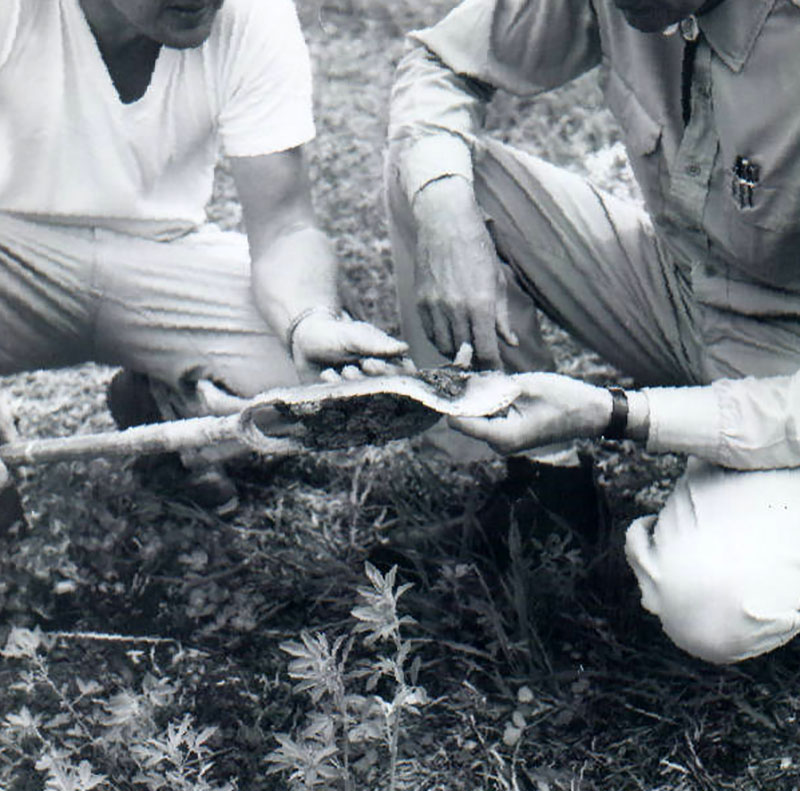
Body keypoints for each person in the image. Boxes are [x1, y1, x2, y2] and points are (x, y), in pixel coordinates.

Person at [385, 0, 800, 664]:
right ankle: (545, 495)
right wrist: (442, 206)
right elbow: (441, 60)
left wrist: (617, 414)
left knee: (713, 603)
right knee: (435, 175)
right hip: (682, 285)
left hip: (788, 368)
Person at [0, 0, 407, 520]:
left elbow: (285, 227)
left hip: (161, 256)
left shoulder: (252, 13)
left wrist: (308, 322)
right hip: (14, 257)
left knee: (321, 389)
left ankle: (161, 403)